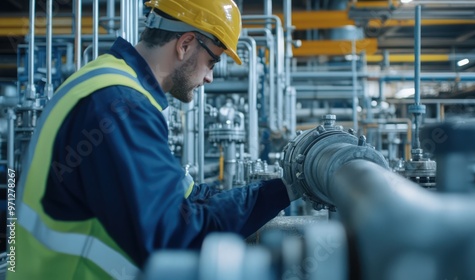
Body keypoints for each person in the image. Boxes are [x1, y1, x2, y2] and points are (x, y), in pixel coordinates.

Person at [12, 0, 296, 279]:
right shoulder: (120, 107)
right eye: (212, 61)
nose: (210, 77)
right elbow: (172, 236)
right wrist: (285, 190)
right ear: (185, 44)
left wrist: (280, 189)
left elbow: (189, 197)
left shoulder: (112, 83)